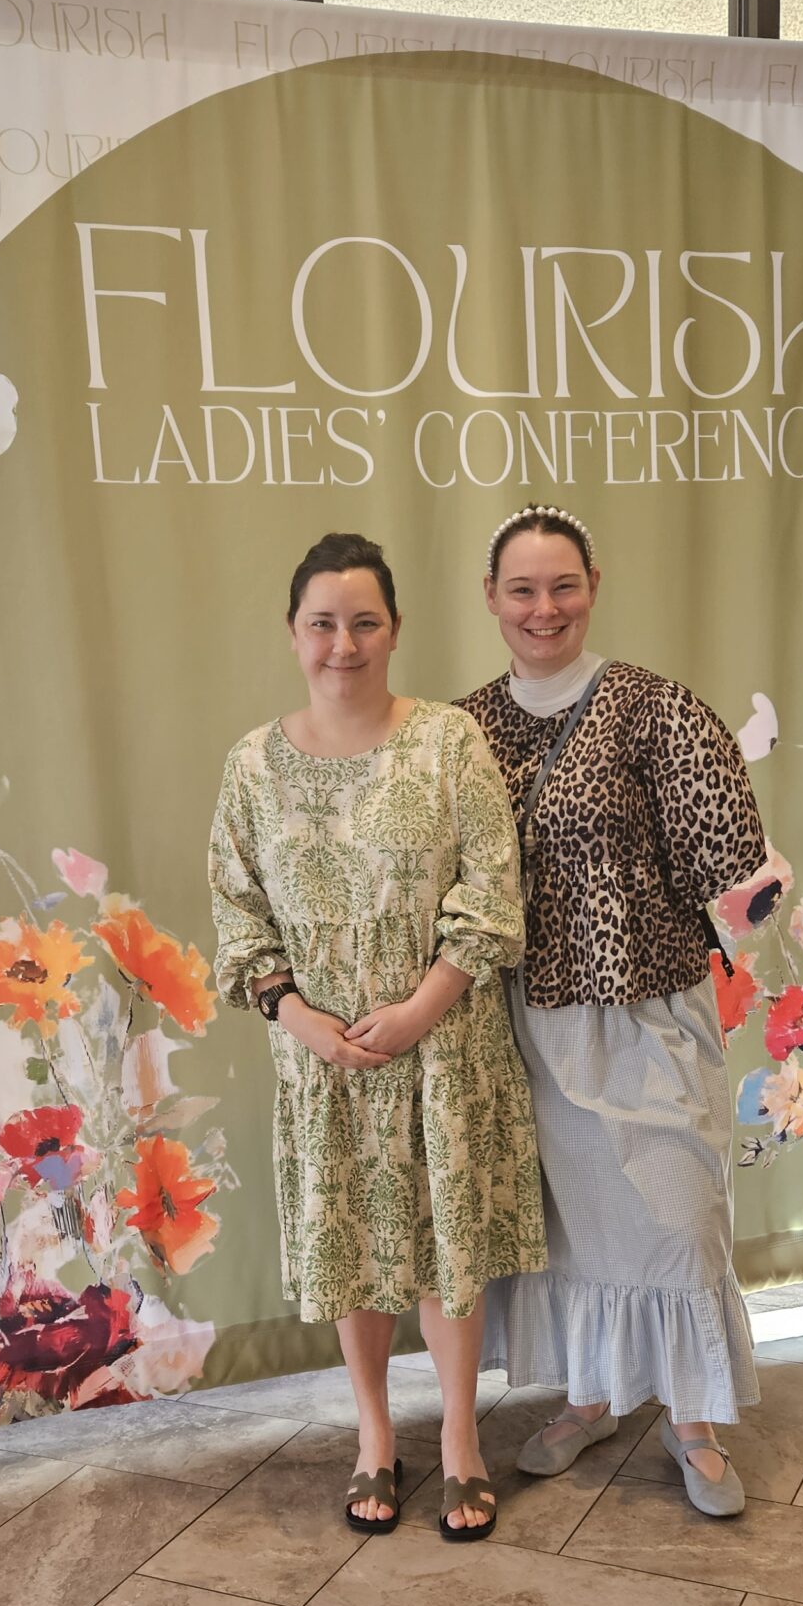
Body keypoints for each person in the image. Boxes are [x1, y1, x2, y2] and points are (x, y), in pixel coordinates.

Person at [210, 531, 546, 1540]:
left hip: (443, 1050)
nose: (343, 644)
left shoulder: (448, 742)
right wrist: (302, 1020)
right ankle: (372, 1433)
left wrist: (419, 1009)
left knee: (447, 1251)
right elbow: (238, 916)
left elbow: (493, 889)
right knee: (354, 1247)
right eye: (323, 623)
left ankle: (460, 1439)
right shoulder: (251, 766)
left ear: (394, 629)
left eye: (364, 622)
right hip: (326, 1065)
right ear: (293, 632)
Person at [459, 504, 768, 1516]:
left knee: (680, 1215)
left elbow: (734, 862)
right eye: (522, 589)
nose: (543, 608)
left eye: (563, 586)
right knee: (569, 1229)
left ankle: (693, 1419)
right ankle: (589, 1394)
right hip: (527, 1022)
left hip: (645, 1013)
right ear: (491, 597)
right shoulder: (460, 731)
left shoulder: (656, 710)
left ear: (593, 586)